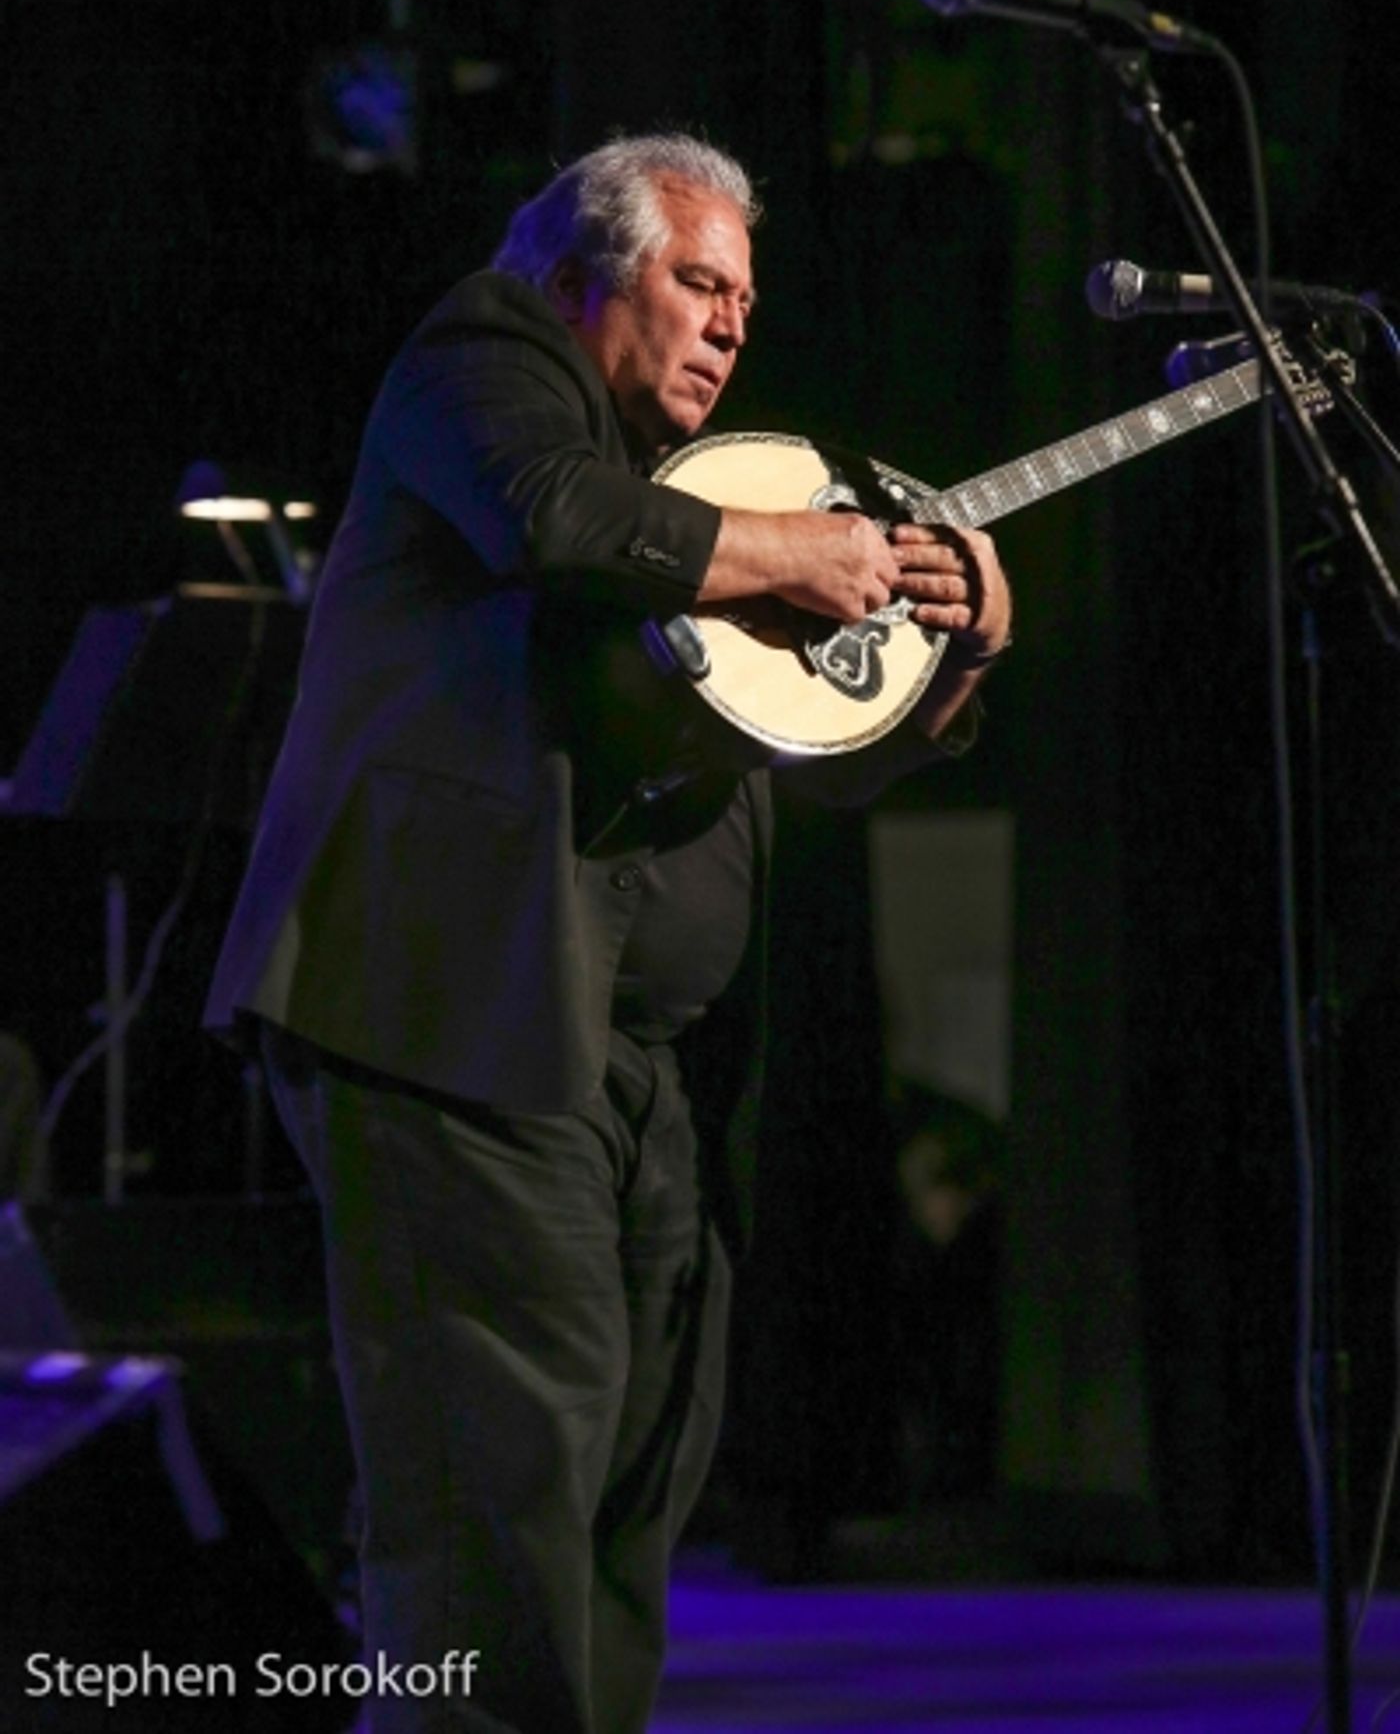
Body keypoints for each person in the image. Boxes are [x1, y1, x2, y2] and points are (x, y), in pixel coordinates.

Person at [204, 131, 1012, 1732]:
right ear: (582, 281)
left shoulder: (698, 508)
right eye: (698, 283)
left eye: (746, 302)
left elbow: (825, 757)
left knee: (630, 1496)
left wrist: (962, 643)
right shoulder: (483, 361)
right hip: (449, 1026)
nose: (730, 326)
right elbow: (551, 521)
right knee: (493, 1505)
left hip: (649, 1075)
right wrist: (810, 549)